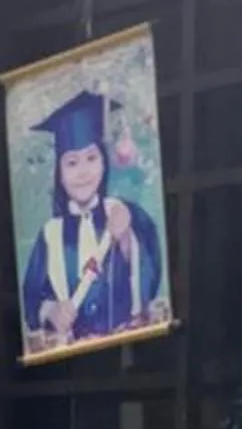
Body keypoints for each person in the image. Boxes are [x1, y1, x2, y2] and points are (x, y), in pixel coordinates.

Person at [19, 89, 167, 352]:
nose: (83, 172)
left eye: (91, 158)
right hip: (73, 362)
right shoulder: (50, 235)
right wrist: (51, 310)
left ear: (104, 162)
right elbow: (31, 296)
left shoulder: (126, 214)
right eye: (71, 163)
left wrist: (125, 239)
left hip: (131, 352)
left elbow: (152, 276)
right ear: (59, 174)